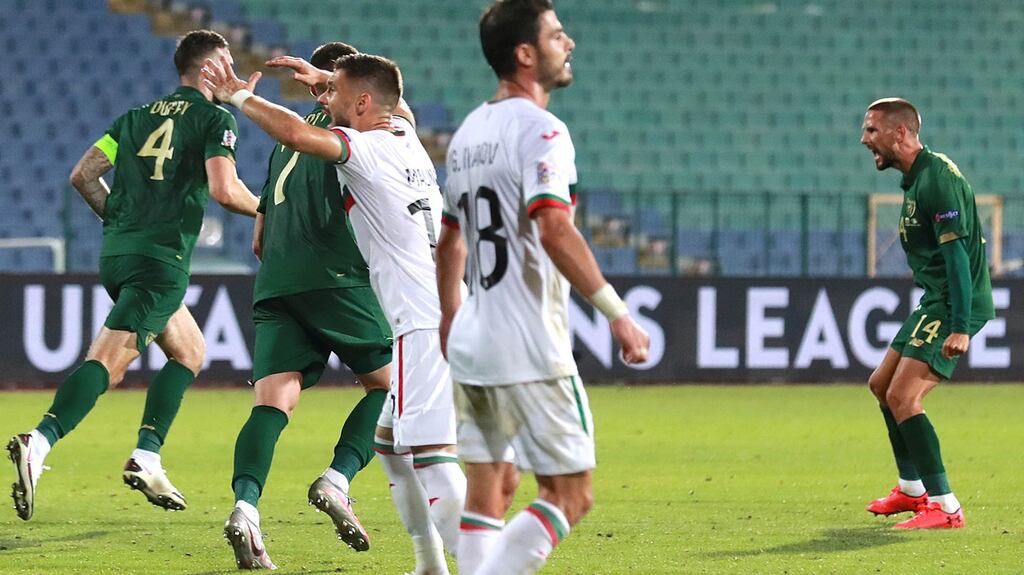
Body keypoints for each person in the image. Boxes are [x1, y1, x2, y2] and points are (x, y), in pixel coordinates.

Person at [202, 53, 465, 574]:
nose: (325, 101)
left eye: (336, 93)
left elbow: (299, 136)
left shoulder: (361, 149)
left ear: (362, 102)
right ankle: (428, 561)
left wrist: (238, 95)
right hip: (413, 310)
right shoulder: (407, 136)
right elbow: (390, 102)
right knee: (390, 445)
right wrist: (329, 81)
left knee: (433, 458)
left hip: (420, 319)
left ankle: (488, 563)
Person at [6, 30, 259, 521]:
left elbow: (82, 175)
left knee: (190, 352)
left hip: (119, 254)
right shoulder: (214, 118)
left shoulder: (135, 118)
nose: (232, 70)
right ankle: (39, 441)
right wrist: (272, 208)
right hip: (161, 261)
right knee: (109, 362)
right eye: (226, 61)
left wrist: (120, 222)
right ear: (208, 70)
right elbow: (225, 192)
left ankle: (147, 454)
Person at [435, 1, 650, 573]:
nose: (569, 42)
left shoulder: (467, 134)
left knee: (490, 491)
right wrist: (616, 311)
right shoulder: (542, 129)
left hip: (475, 341)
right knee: (570, 495)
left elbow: (450, 240)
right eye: (557, 35)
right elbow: (554, 227)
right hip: (529, 343)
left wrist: (451, 317)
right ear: (526, 54)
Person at [224, 42, 395, 570]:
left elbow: (258, 232)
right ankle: (338, 479)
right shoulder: (345, 132)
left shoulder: (283, 142)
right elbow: (398, 116)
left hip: (276, 279)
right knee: (394, 389)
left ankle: (245, 509)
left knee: (272, 401)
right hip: (334, 275)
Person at [859, 97, 994, 529]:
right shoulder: (918, 180)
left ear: (900, 133)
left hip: (955, 303)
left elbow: (957, 257)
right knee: (882, 385)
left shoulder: (936, 181)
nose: (864, 140)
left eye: (872, 130)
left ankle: (946, 506)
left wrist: (960, 326)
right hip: (935, 299)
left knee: (904, 397)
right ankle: (912, 490)